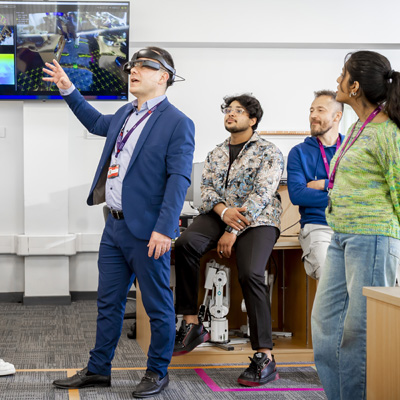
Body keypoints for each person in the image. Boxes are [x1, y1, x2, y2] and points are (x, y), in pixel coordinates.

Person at [42, 47, 195, 398]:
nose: (133, 71)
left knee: (157, 306)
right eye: (132, 66)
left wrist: (165, 228)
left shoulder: (177, 122)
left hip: (149, 231)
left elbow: (179, 179)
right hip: (114, 226)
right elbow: (96, 122)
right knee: (108, 303)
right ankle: (99, 369)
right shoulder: (127, 113)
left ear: (164, 76)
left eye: (143, 66)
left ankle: (157, 372)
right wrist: (68, 88)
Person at [173, 94, 283, 387]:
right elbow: (206, 190)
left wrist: (232, 231)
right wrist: (224, 213)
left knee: (251, 273)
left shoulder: (270, 152)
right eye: (228, 110)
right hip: (220, 214)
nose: (230, 114)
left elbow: (262, 195)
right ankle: (192, 324)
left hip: (258, 219)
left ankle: (265, 356)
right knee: (185, 244)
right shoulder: (216, 153)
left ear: (253, 120)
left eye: (239, 111)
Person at [311, 50, 400, 400]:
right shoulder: (357, 127)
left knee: (358, 334)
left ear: (356, 86)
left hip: (373, 237)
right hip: (341, 235)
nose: (338, 80)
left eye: (342, 75)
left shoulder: (387, 133)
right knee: (325, 326)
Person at [287, 90, 344, 280]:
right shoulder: (299, 152)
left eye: (320, 110)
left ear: (337, 116)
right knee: (330, 276)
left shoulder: (352, 148)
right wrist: (343, 194)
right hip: (318, 226)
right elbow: (297, 195)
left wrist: (323, 184)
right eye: (311, 110)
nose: (313, 115)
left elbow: (363, 191)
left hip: (353, 225)